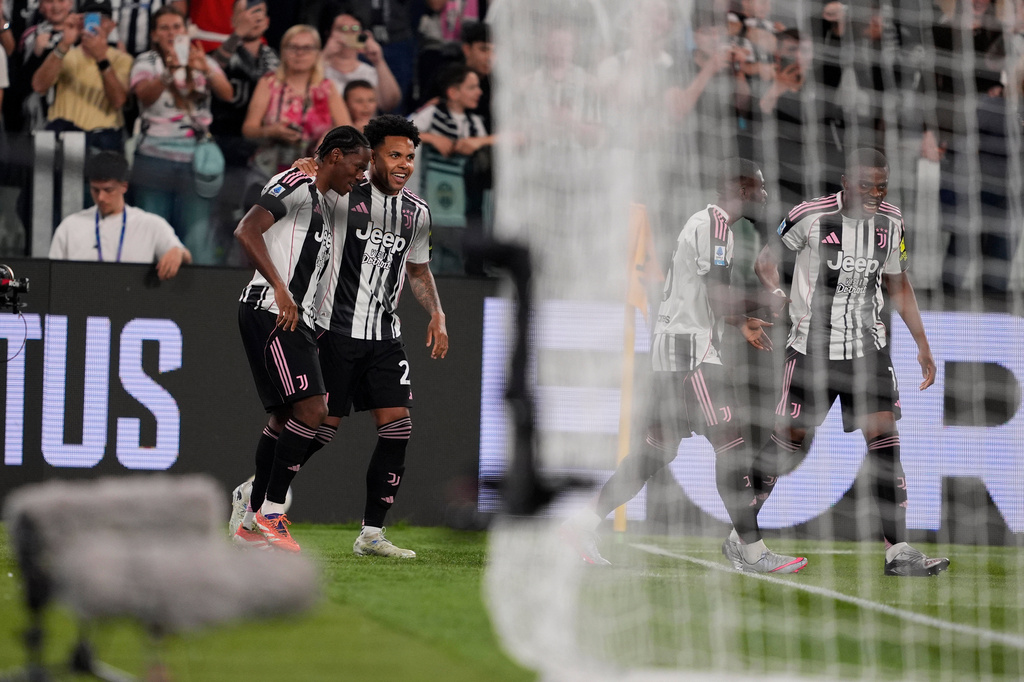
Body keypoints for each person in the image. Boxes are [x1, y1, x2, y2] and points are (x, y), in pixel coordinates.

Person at [564, 159, 802, 573]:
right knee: (732, 447)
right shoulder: (716, 227)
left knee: (655, 451)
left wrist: (740, 321)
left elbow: (707, 298)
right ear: (742, 188)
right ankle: (752, 551)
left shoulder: (709, 224)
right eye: (759, 187)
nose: (765, 195)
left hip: (677, 347)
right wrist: (769, 301)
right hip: (689, 352)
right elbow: (718, 296)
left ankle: (580, 524)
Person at [229, 115, 447, 558]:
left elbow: (418, 269)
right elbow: (309, 179)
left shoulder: (417, 213)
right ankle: (259, 497)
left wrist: (437, 312)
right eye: (392, 155)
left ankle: (371, 534)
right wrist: (306, 164)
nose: (402, 164)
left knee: (397, 427)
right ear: (370, 156)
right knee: (315, 425)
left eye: (409, 156)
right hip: (331, 328)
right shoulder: (341, 191)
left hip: (385, 334)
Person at [748, 148, 949, 577]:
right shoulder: (810, 215)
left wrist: (923, 344)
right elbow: (764, 262)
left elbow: (898, 282)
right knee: (788, 443)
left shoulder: (891, 221)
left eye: (882, 185)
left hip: (869, 351)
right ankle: (741, 535)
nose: (875, 193)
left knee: (885, 444)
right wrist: (778, 295)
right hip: (812, 349)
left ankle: (899, 551)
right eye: (865, 185)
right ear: (844, 180)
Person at [232, 125, 372, 552]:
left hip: (297, 318)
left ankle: (249, 520)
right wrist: (279, 286)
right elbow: (246, 230)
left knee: (284, 419)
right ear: (333, 156)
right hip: (272, 309)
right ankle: (272, 514)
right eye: (357, 164)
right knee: (314, 409)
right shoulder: (294, 182)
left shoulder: (327, 201)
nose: (361, 174)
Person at [129, 6, 233, 264]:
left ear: (186, 31)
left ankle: (197, 300)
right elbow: (144, 94)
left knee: (198, 235)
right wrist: (168, 72)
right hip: (153, 158)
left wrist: (205, 69)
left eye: (177, 27)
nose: (171, 33)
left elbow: (228, 94)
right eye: (164, 27)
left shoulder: (203, 60)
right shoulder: (146, 61)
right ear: (154, 34)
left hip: (196, 161)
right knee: (153, 233)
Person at [48, 150, 191, 277]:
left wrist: (178, 252)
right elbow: (52, 276)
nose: (101, 198)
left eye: (108, 190)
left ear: (124, 187)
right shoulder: (70, 226)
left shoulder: (150, 224)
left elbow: (184, 254)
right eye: (95, 190)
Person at [242, 24, 352, 181]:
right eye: (293, 47)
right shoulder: (268, 83)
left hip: (314, 171)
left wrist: (329, 137)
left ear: (317, 53)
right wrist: (272, 131)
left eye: (307, 48)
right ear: (283, 51)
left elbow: (347, 129)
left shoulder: (327, 87)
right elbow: (248, 130)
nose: (299, 53)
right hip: (269, 168)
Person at [31, 0, 132, 153]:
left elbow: (118, 101)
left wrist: (101, 58)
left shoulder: (123, 59)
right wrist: (65, 43)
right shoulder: (63, 54)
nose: (95, 24)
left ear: (112, 25)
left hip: (103, 137)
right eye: (89, 18)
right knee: (46, 173)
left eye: (102, 19)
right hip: (62, 134)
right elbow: (38, 86)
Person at [319, 9, 401, 113]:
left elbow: (389, 103)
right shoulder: (320, 68)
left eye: (354, 29)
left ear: (362, 36)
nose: (348, 34)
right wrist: (325, 55)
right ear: (328, 33)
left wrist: (379, 62)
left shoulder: (369, 72)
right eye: (342, 29)